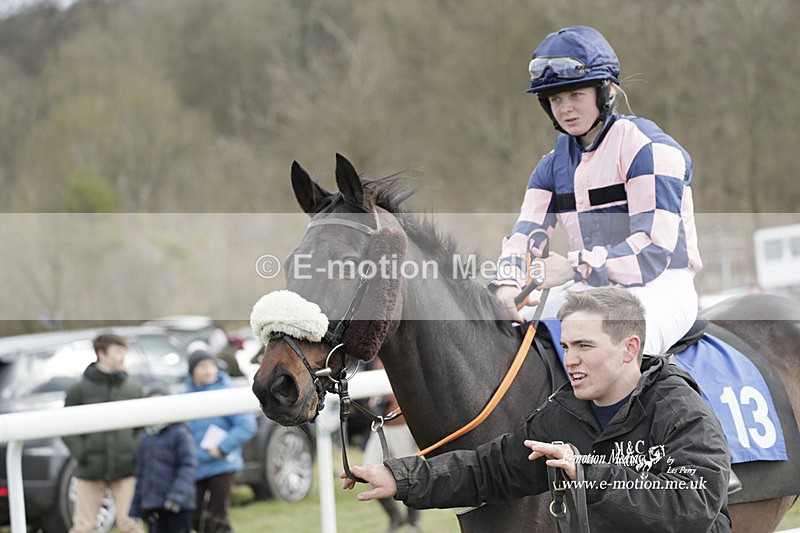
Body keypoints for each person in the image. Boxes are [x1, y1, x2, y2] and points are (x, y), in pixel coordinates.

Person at [341, 287, 732, 532]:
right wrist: (401, 478)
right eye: (566, 347)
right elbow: (490, 470)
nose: (571, 360)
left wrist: (586, 473)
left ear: (630, 348)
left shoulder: (682, 412)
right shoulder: (565, 412)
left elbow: (692, 505)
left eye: (585, 346)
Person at [491, 25, 702, 355]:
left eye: (576, 95)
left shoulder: (650, 149)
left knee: (621, 350)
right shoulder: (550, 166)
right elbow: (525, 236)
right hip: (591, 288)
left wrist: (575, 267)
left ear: (607, 92)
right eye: (556, 99)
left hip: (662, 286)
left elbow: (652, 253)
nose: (565, 109)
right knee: (508, 336)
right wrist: (506, 282)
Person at [62, 333, 144, 533]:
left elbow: (142, 427)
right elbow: (65, 425)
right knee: (83, 526)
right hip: (90, 469)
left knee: (131, 524)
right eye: (117, 351)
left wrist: (134, 450)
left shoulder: (133, 390)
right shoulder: (79, 391)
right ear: (101, 354)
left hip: (126, 468)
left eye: (123, 351)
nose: (122, 356)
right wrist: (82, 452)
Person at [185, 349, 257, 533]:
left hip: (222, 465)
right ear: (192, 371)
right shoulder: (184, 396)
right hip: (195, 467)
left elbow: (246, 425)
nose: (208, 370)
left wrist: (222, 447)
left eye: (211, 365)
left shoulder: (227, 393)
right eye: (202, 367)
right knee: (195, 518)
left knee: (218, 518)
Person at [361, 359, 421, 532]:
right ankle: (396, 516)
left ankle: (413, 521)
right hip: (382, 424)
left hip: (400, 423)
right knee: (367, 471)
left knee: (409, 476)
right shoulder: (377, 358)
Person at [129, 387, 197, 533]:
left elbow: (188, 466)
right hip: (153, 507)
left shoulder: (180, 433)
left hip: (178, 507)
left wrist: (177, 496)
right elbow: (141, 475)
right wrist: (136, 507)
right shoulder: (145, 438)